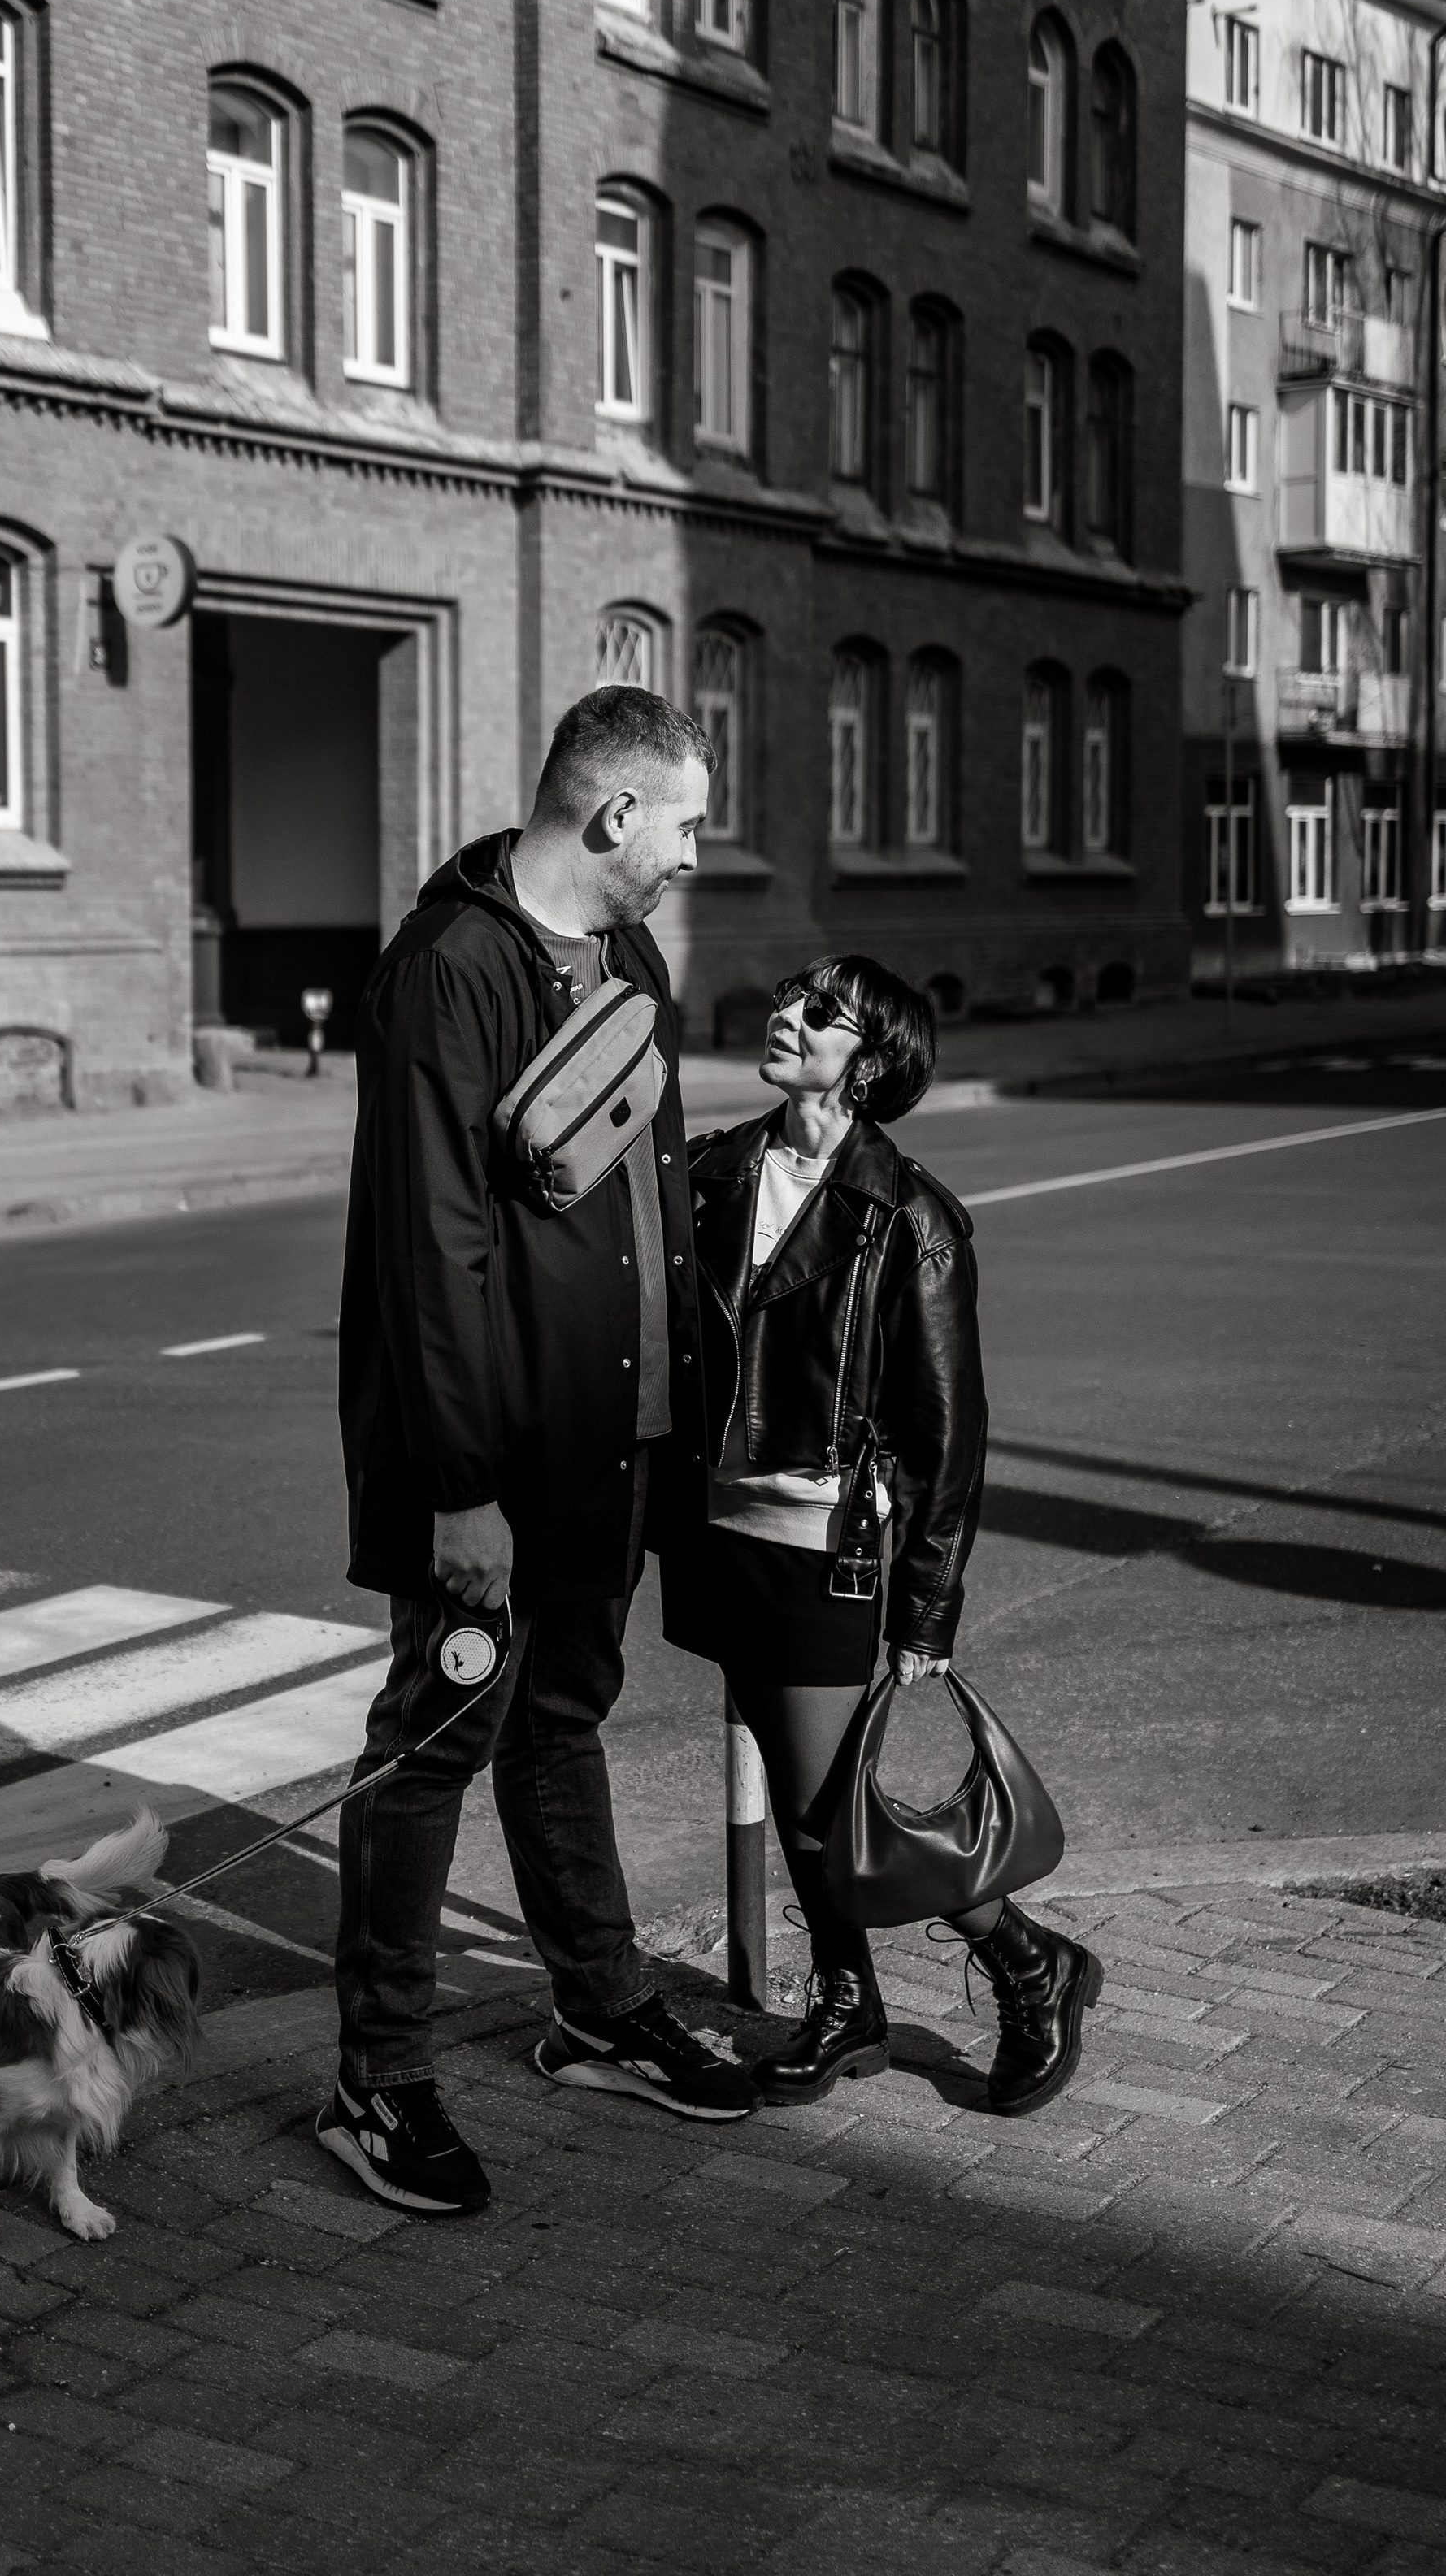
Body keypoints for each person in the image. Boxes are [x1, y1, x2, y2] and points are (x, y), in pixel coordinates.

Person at [323, 687, 756, 2215]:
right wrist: (459, 1490)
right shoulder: (447, 974)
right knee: (433, 1743)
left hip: (614, 1439)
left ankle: (592, 2004)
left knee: (562, 1716)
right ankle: (375, 2080)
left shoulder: (627, 955)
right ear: (616, 815)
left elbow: (637, 1181)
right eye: (687, 823)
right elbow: (431, 1255)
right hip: (492, 1463)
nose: (697, 853)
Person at [665, 955, 1101, 2115]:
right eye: (793, 999)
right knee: (820, 1810)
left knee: (827, 1810)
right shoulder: (711, 1172)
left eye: (824, 1015)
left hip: (825, 1547)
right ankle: (850, 2002)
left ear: (871, 1063)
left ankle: (1026, 1959)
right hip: (715, 1532)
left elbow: (949, 1435)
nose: (789, 1017)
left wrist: (926, 1609)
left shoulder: (909, 1218)